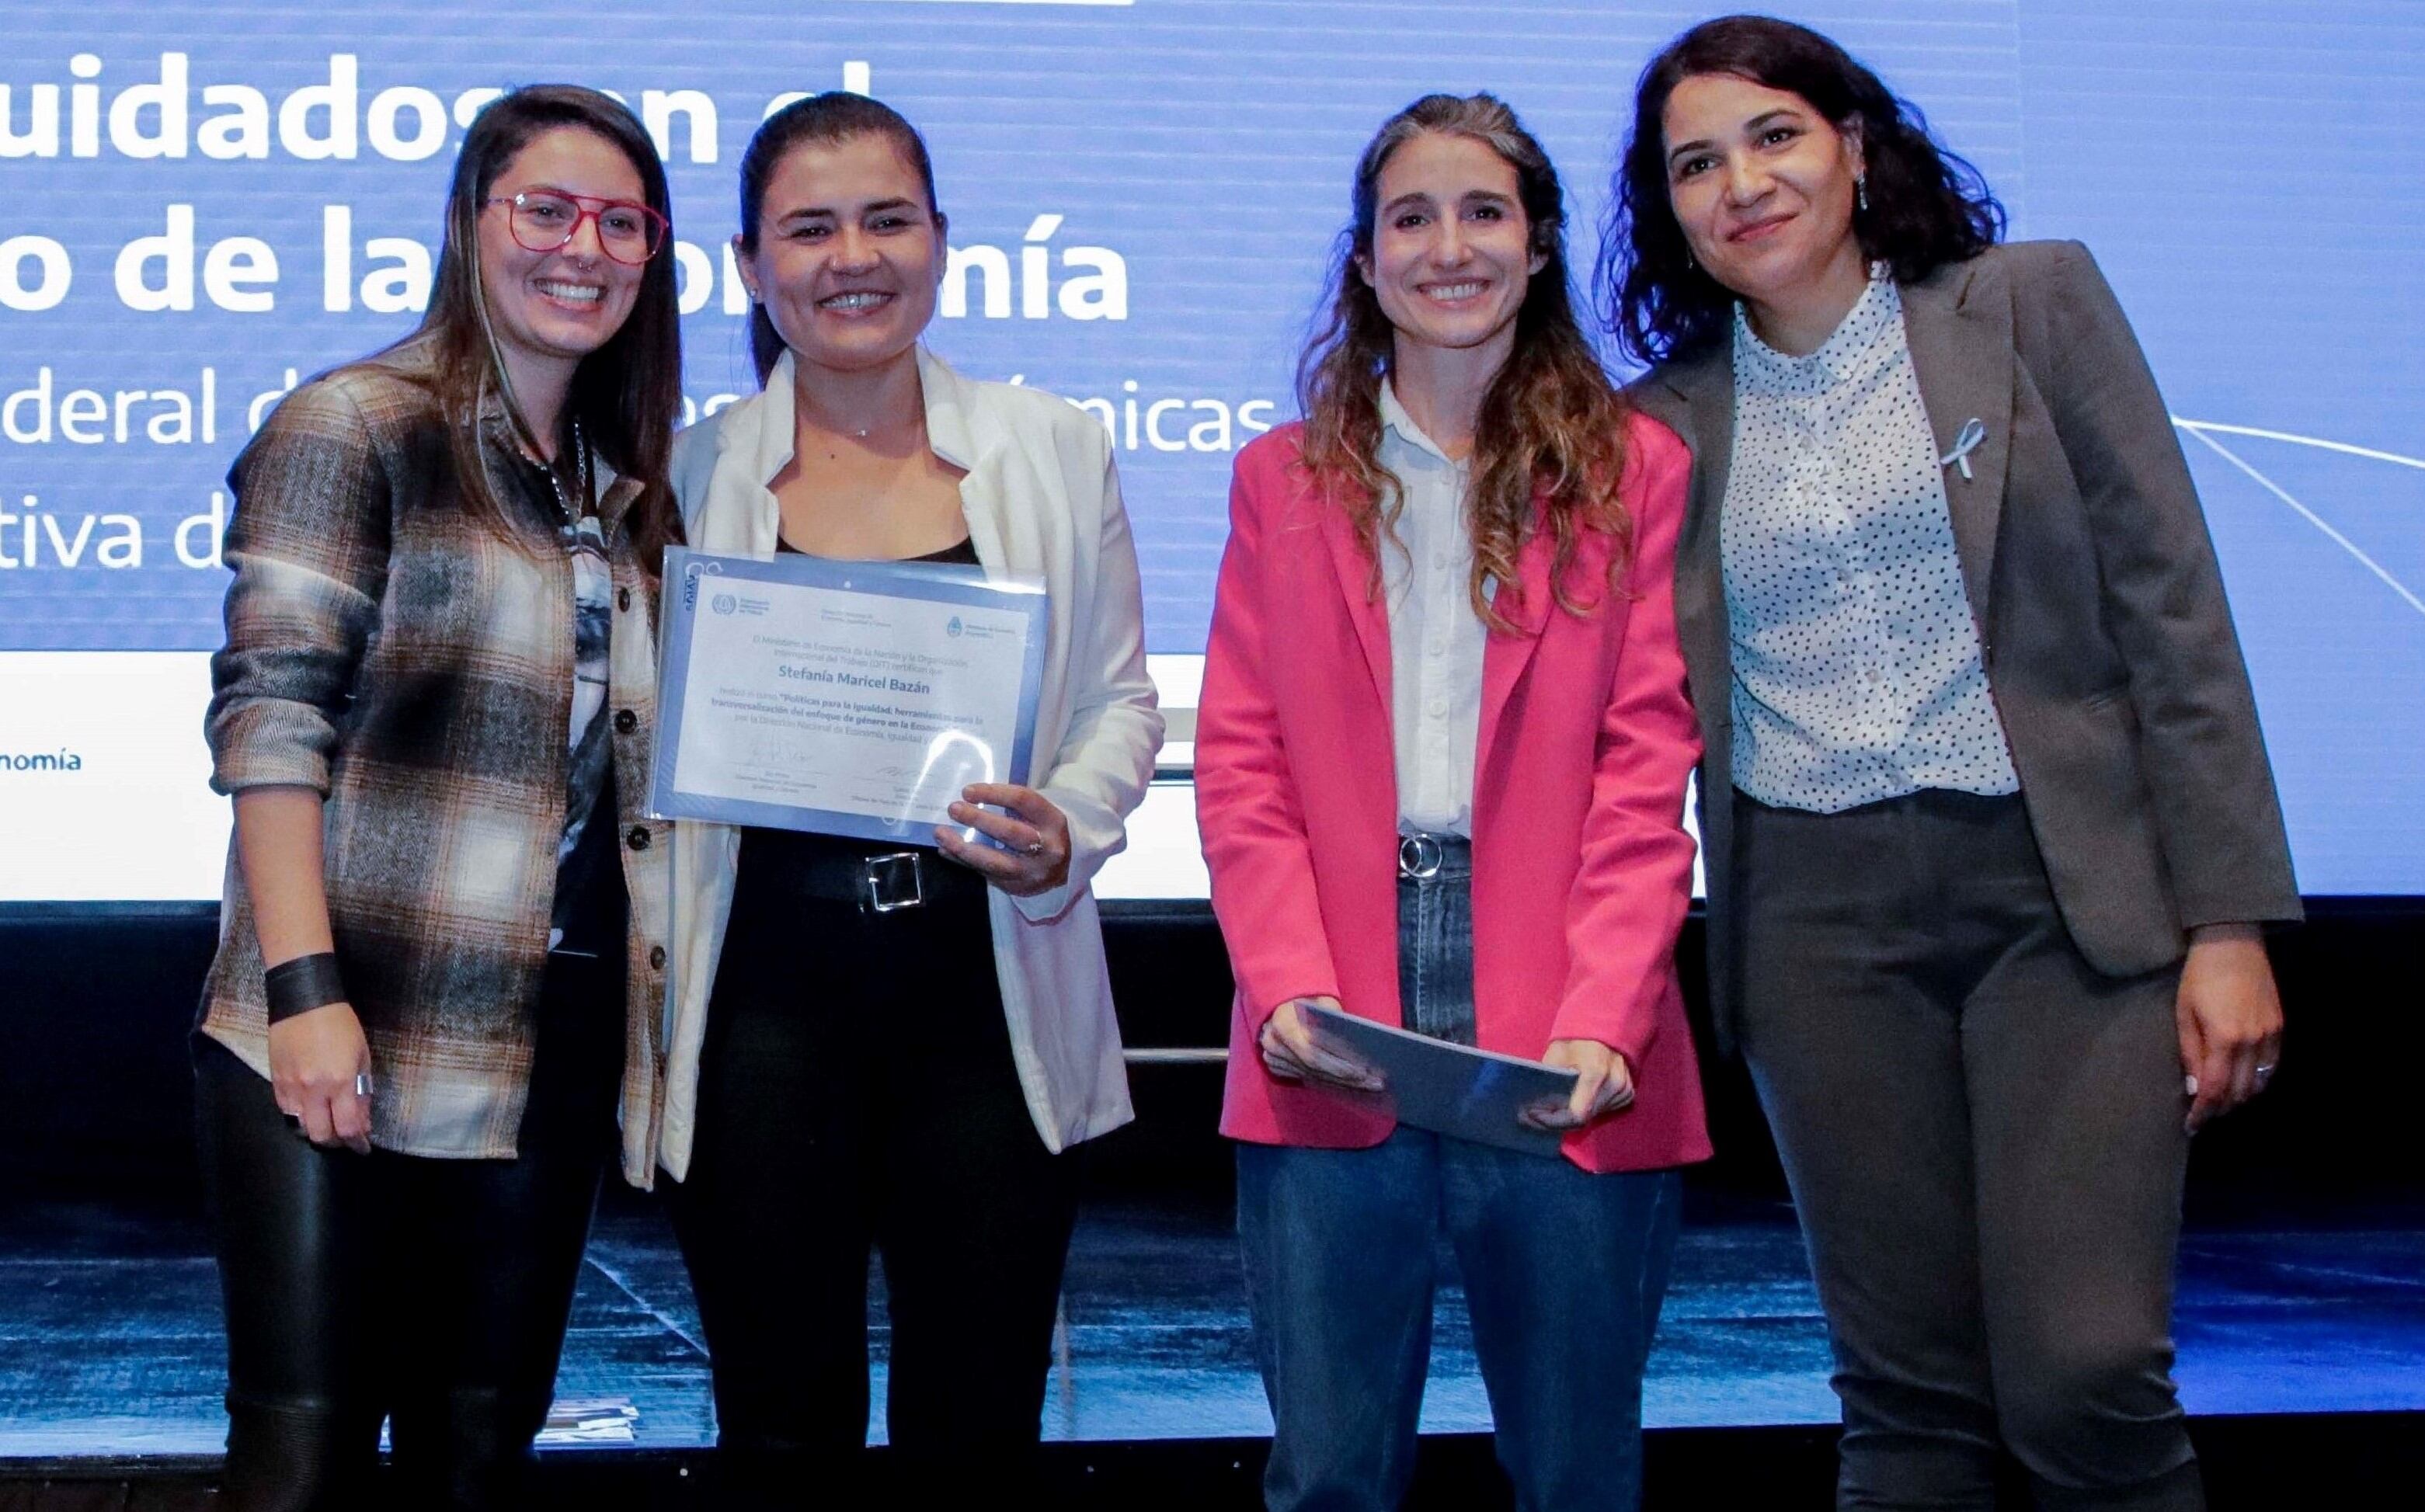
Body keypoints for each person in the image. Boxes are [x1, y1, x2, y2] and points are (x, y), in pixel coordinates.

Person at [1606, 17, 2299, 1510]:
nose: (1742, 185)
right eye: (1696, 165)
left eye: (1774, 136)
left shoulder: (2029, 305)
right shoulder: (1656, 426)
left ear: (1855, 147)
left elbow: (2173, 612)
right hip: (1813, 929)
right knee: (1905, 1400)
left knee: (2084, 1371)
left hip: (2062, 907)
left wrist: (2228, 921)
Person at [1195, 92, 1708, 1512]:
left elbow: (1642, 769)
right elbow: (1243, 763)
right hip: (1332, 1008)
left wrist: (1605, 1013)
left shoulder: (1634, 472)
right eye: (1409, 218)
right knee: (1329, 1479)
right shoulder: (1280, 481)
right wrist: (1287, 986)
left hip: (1564, 1010)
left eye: (1483, 212)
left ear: (1537, 245)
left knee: (1577, 1475)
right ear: (1365, 263)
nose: (1448, 247)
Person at [657, 92, 1163, 1503]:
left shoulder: (1052, 445)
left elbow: (1119, 702)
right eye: (807, 229)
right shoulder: (688, 473)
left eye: (886, 220)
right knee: (778, 1429)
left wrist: (1068, 826)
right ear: (750, 265)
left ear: (940, 239)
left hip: (983, 993)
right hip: (757, 1002)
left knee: (978, 1427)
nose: (852, 259)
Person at [193, 85, 683, 1510]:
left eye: (622, 224)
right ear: (471, 224)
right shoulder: (354, 424)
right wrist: (304, 995)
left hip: (538, 1042)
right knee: (303, 1463)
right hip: (344, 1021)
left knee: (477, 1457)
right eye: (547, 210)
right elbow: (271, 721)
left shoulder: (619, 486)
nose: (582, 248)